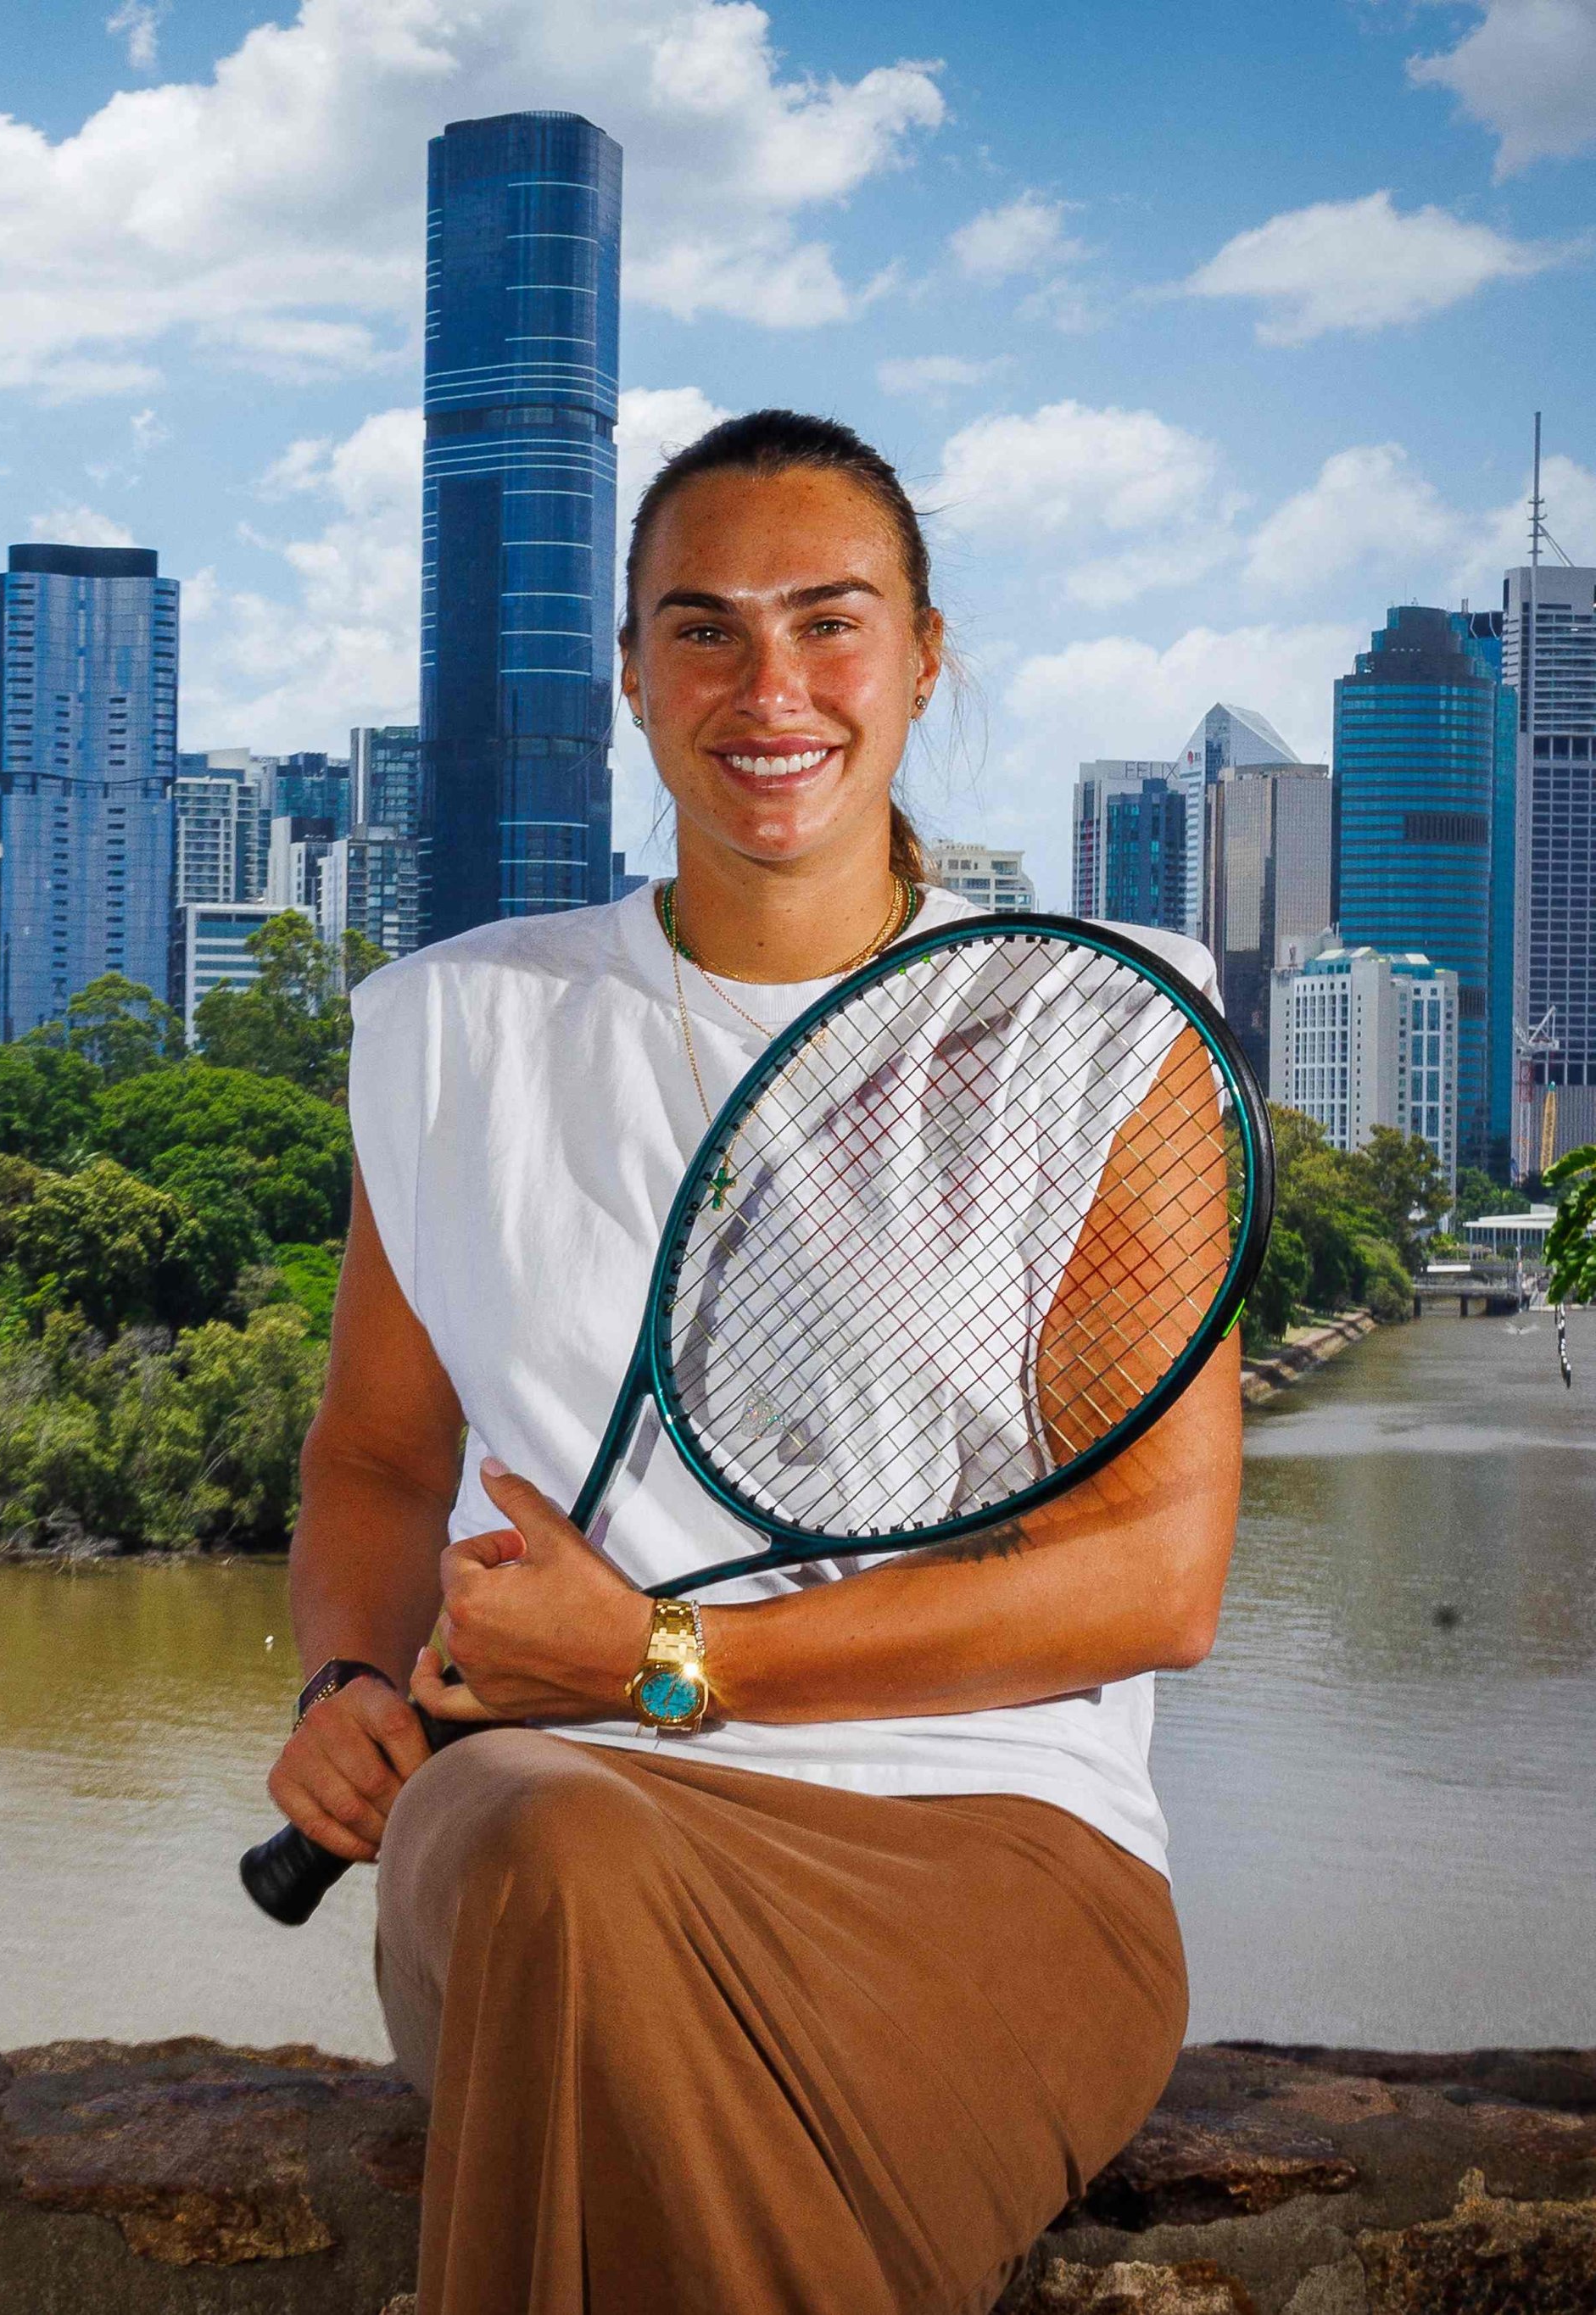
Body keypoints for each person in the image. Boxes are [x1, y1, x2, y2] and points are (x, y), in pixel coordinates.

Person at [267, 410, 1236, 2314]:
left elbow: (1154, 1577)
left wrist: (662, 1660)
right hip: (544, 1815)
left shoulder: (1098, 1021)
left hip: (991, 1841)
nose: (766, 686)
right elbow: (377, 1458)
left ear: (924, 654)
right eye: (700, 628)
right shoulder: (453, 1026)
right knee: (549, 1839)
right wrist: (345, 1677)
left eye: (828, 621)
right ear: (626, 673)